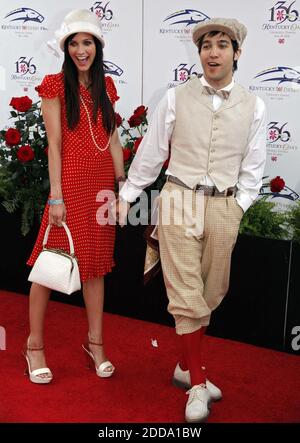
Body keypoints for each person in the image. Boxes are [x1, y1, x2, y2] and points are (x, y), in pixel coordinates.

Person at [117, 18, 266, 422]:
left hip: (223, 207)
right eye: (206, 46)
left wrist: (238, 207)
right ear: (198, 53)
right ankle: (198, 381)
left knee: (211, 293)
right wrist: (128, 196)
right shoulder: (175, 97)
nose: (213, 52)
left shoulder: (255, 104)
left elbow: (253, 167)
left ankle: (184, 366)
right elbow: (151, 153)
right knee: (185, 296)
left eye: (222, 45)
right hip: (178, 199)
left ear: (237, 53)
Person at [24, 9, 125, 384]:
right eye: (75, 43)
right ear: (65, 47)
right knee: (49, 267)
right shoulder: (54, 86)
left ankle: (95, 344)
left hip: (101, 188)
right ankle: (34, 347)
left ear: (97, 46)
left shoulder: (107, 87)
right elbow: (53, 146)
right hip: (68, 187)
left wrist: (120, 184)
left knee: (96, 267)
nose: (81, 50)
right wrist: (56, 197)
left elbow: (113, 138)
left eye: (88, 43)